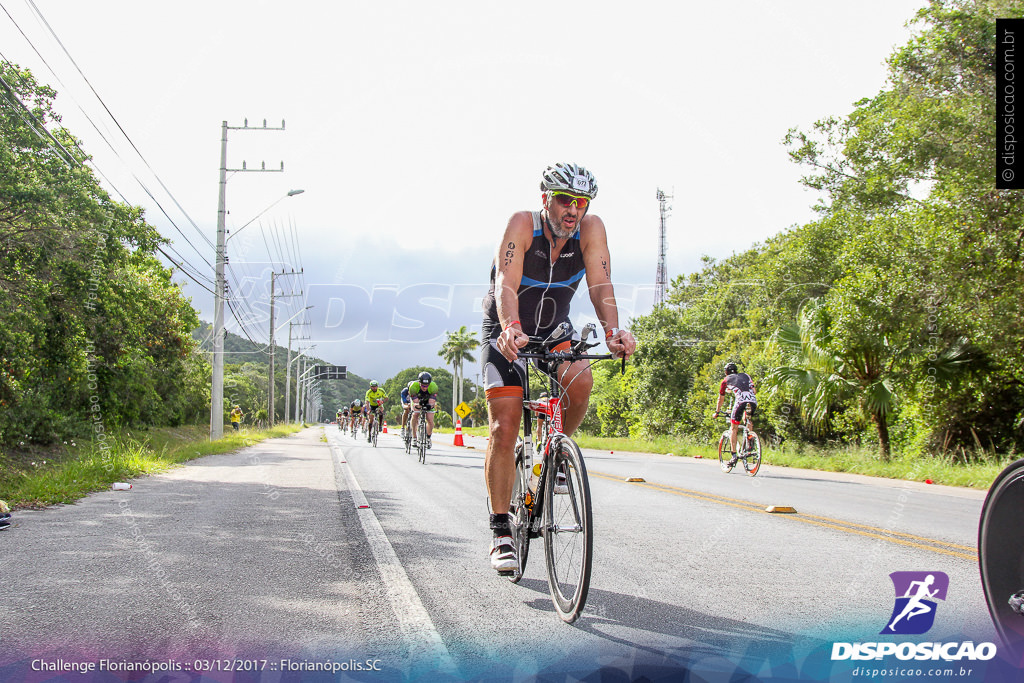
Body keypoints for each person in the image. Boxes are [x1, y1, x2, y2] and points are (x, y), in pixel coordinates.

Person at [480, 162, 636, 573]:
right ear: (546, 199)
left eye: (581, 202)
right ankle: (500, 530)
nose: (573, 209)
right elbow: (505, 285)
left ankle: (554, 453)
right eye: (565, 200)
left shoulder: (591, 229)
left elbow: (601, 285)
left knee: (580, 381)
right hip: (506, 328)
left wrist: (614, 331)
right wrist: (511, 328)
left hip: (554, 329)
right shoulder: (521, 225)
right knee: (504, 425)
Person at [713, 362, 758, 468]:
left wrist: (717, 412)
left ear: (726, 372)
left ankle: (734, 455)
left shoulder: (725, 380)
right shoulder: (746, 375)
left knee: (734, 428)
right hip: (752, 401)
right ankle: (749, 442)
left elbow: (721, 399)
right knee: (747, 419)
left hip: (740, 402)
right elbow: (754, 391)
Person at [408, 371, 439, 449]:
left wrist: (430, 406)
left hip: (428, 400)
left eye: (426, 386)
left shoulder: (433, 386)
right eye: (423, 385)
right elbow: (415, 402)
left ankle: (428, 438)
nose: (424, 388)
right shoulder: (413, 387)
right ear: (419, 382)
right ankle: (414, 437)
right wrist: (417, 405)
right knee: (415, 414)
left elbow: (432, 402)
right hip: (417, 400)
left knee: (430, 420)